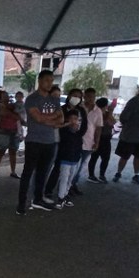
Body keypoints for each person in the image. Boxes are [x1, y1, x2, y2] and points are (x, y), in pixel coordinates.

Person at [16, 70, 64, 214]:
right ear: (40, 81)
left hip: (49, 142)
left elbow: (61, 119)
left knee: (43, 173)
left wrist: (47, 118)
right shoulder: (32, 99)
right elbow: (38, 118)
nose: (50, 83)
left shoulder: (54, 100)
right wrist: (52, 118)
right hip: (34, 141)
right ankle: (21, 204)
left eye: (51, 81)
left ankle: (38, 199)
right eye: (47, 80)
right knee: (28, 173)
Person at [45, 88, 86, 200]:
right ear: (69, 96)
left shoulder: (81, 111)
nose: (76, 98)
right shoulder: (61, 109)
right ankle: (49, 190)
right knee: (57, 168)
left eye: (79, 96)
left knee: (71, 170)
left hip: (75, 143)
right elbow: (57, 126)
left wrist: (77, 135)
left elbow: (84, 126)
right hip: (62, 142)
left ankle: (65, 191)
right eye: (74, 95)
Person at [112, 82, 139, 185]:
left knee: (138, 156)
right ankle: (118, 173)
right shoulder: (134, 102)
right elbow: (123, 117)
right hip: (131, 135)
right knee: (125, 155)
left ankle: (136, 174)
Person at [55, 109, 83, 208]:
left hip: (75, 159)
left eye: (75, 119)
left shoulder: (79, 132)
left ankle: (65, 195)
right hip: (65, 159)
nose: (73, 121)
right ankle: (60, 198)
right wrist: (67, 125)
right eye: (71, 119)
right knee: (64, 178)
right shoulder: (63, 130)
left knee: (70, 179)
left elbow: (84, 126)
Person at [74, 87, 102, 189]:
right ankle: (67, 186)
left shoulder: (97, 111)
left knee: (81, 166)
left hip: (89, 142)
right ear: (84, 96)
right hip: (76, 140)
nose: (90, 99)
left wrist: (97, 142)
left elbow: (98, 128)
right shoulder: (78, 108)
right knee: (72, 165)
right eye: (88, 96)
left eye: (92, 97)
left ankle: (74, 185)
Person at [0, 89, 20, 180]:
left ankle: (13, 171)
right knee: (0, 153)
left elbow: (19, 113)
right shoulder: (0, 106)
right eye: (4, 96)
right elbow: (4, 113)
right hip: (3, 132)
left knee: (13, 153)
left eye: (7, 96)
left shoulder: (12, 106)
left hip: (13, 131)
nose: (6, 98)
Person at [87, 97, 115, 183]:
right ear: (105, 105)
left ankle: (102, 175)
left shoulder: (107, 113)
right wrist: (110, 112)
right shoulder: (96, 113)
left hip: (106, 139)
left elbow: (113, 122)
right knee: (94, 157)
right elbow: (108, 122)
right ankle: (91, 175)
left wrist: (110, 112)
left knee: (105, 158)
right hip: (98, 138)